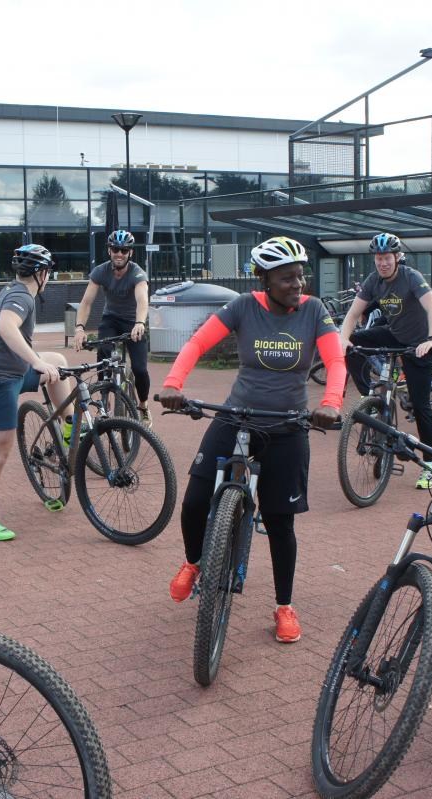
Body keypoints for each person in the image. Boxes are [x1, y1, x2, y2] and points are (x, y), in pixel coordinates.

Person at [158, 236, 346, 643]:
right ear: (264, 280)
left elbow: (335, 360)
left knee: (281, 522)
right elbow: (197, 343)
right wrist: (174, 383)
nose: (298, 284)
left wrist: (330, 402)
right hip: (236, 416)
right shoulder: (244, 307)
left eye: (300, 275)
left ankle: (284, 606)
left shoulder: (314, 310)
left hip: (288, 425)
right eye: (287, 278)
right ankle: (193, 563)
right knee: (193, 501)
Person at [0, 243, 74, 541]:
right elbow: (6, 327)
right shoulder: (20, 296)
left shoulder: (17, 291)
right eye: (49, 272)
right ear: (41, 273)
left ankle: (68, 426)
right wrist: (36, 361)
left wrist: (41, 364)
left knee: (59, 362)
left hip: (14, 375)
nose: (49, 278)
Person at [337, 232, 432, 489]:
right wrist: (343, 338)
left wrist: (431, 339)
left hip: (419, 344)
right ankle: (371, 400)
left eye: (387, 258)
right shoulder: (374, 281)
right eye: (378, 258)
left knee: (420, 406)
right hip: (395, 335)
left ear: (397, 258)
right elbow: (353, 314)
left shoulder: (412, 278)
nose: (383, 263)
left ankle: (430, 466)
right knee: (355, 346)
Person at [73, 229, 154, 426]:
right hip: (111, 319)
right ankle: (104, 400)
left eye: (124, 250)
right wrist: (79, 328)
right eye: (115, 249)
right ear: (109, 251)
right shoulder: (101, 271)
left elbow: (143, 301)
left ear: (130, 253)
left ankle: (142, 405)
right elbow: (86, 303)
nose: (119, 253)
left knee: (140, 369)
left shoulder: (137, 274)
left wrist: (140, 323)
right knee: (104, 355)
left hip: (134, 322)